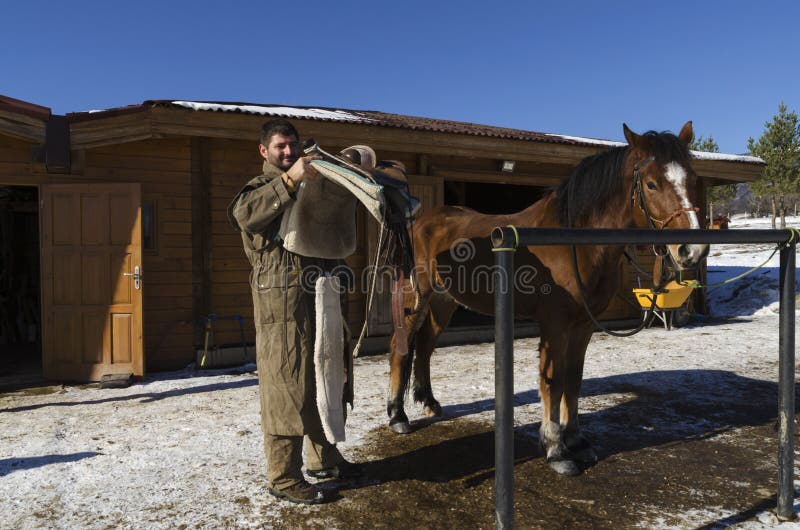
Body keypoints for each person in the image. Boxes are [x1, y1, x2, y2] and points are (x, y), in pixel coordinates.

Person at [228, 119, 361, 505]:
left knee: (328, 376)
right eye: (280, 146)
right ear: (264, 151)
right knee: (286, 386)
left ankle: (325, 460)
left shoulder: (313, 186)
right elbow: (244, 215)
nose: (288, 152)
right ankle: (283, 477)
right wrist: (288, 182)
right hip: (280, 305)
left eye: (293, 145)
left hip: (320, 294)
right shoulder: (258, 189)